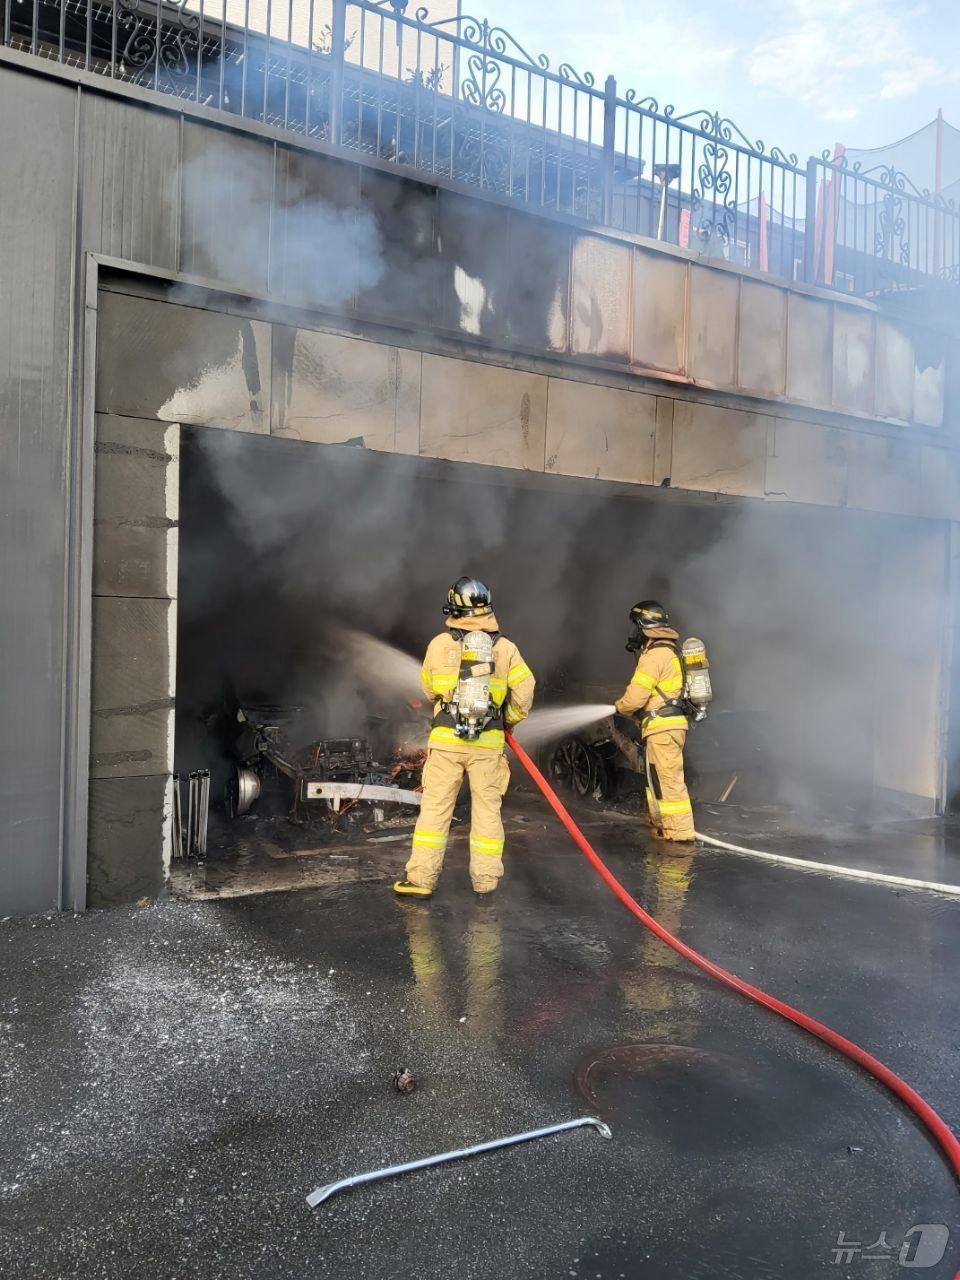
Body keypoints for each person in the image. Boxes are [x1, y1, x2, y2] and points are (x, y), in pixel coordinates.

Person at [393, 577, 535, 898]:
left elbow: (428, 688)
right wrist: (508, 721)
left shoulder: (439, 645)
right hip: (488, 745)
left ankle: (421, 881)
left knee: (435, 809)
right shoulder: (506, 648)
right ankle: (485, 883)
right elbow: (525, 692)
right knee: (487, 811)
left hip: (446, 742)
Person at [614, 599, 695, 844]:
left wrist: (620, 707)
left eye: (635, 627)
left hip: (662, 727)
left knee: (669, 782)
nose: (634, 633)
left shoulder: (654, 656)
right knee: (657, 779)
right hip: (666, 727)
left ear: (643, 626)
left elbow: (636, 697)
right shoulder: (670, 651)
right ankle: (663, 827)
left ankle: (680, 836)